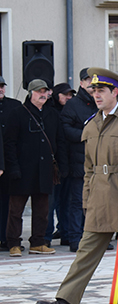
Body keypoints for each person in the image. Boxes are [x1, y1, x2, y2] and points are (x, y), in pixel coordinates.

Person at [36, 69, 118, 304]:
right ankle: (67, 302)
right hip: (100, 196)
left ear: (116, 92)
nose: (96, 96)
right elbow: (89, 169)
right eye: (93, 91)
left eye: (102, 91)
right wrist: (86, 199)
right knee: (87, 249)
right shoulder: (92, 123)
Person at [4, 80, 67, 257]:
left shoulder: (53, 115)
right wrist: (13, 168)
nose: (43, 94)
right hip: (22, 170)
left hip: (44, 170)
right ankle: (14, 243)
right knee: (16, 210)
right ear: (31, 93)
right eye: (39, 91)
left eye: (45, 91)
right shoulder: (18, 113)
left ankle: (38, 242)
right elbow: (9, 144)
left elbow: (59, 141)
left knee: (42, 209)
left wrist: (62, 166)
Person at [60, 68, 97, 252]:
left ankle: (93, 238)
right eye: (88, 80)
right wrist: (86, 135)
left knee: (95, 202)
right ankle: (75, 238)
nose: (91, 84)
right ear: (81, 83)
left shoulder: (100, 102)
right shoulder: (73, 105)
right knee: (77, 202)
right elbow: (65, 129)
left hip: (98, 162)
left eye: (94, 80)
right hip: (78, 161)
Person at [45, 83, 74, 246]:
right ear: (57, 95)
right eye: (65, 95)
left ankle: (66, 232)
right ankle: (46, 236)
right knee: (51, 202)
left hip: (68, 164)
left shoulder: (69, 111)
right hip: (53, 166)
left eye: (70, 95)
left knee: (66, 201)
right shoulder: (51, 112)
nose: (68, 98)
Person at [0, 76, 21, 252]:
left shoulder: (14, 105)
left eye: (2, 86)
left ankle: (6, 237)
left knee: (8, 202)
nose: (0, 89)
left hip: (10, 161)